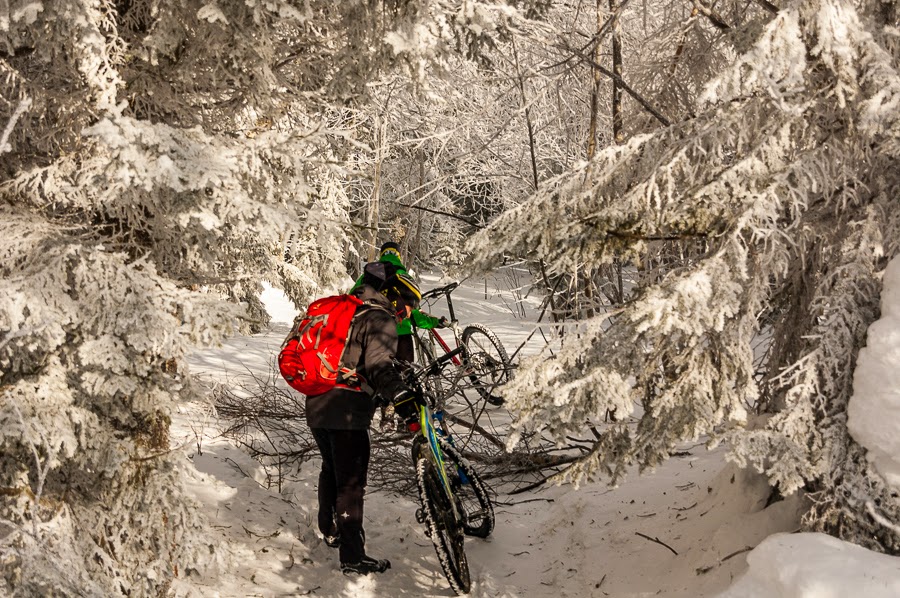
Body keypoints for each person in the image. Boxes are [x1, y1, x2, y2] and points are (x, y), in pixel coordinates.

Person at [306, 264, 425, 575]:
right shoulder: (380, 317)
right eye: (406, 305)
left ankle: (330, 529)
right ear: (392, 297)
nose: (405, 314)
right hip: (347, 409)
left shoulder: (347, 310)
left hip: (317, 403)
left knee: (332, 468)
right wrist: (401, 396)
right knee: (351, 484)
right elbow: (378, 367)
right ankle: (353, 556)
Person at [351, 241, 449, 364]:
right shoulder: (403, 277)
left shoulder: (368, 276)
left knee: (376, 379)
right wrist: (434, 322)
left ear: (381, 255)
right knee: (405, 377)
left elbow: (351, 300)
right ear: (398, 256)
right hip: (401, 336)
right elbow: (413, 313)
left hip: (373, 336)